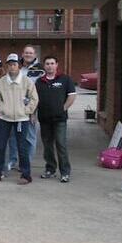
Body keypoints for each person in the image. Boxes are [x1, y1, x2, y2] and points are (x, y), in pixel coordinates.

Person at [0, 53, 38, 185]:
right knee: (1, 146)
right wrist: (2, 109)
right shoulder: (3, 81)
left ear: (18, 66)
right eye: (9, 64)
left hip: (22, 119)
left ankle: (26, 175)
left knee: (22, 147)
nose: (12, 67)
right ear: (7, 66)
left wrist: (26, 111)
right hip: (4, 118)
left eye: (14, 64)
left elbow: (34, 98)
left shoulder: (26, 81)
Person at [36, 55, 77, 183]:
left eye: (52, 63)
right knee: (47, 146)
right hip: (44, 119)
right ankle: (50, 169)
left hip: (60, 119)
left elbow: (72, 96)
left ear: (57, 65)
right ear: (44, 66)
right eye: (47, 63)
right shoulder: (39, 81)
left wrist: (63, 108)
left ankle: (65, 172)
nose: (50, 66)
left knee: (61, 144)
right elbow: (35, 99)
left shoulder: (65, 79)